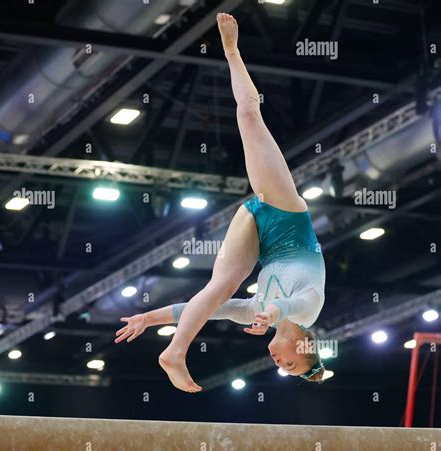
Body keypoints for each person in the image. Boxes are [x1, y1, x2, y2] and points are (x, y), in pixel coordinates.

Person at [115, 13, 326, 393]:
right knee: (248, 115)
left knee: (220, 289)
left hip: (260, 234)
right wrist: (271, 314)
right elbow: (289, 308)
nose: (279, 364)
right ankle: (232, 51)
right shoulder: (307, 312)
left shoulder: (255, 312)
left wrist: (148, 317)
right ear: (305, 344)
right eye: (291, 363)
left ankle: (175, 351)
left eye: (284, 369)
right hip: (286, 216)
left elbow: (206, 310)